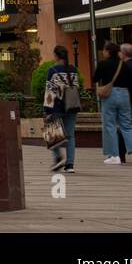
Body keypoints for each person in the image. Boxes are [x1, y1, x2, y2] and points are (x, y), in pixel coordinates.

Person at [93, 40, 132, 165]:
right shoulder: (124, 64)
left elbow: (95, 78)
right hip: (124, 94)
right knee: (127, 124)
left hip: (110, 95)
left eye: (104, 50)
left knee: (110, 125)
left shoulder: (103, 64)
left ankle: (114, 155)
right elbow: (130, 81)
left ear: (107, 52)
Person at [42, 44, 80, 173]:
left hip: (57, 107)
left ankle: (58, 157)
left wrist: (47, 111)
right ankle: (70, 165)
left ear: (56, 56)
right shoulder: (73, 69)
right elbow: (76, 87)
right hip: (72, 106)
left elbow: (50, 92)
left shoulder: (53, 70)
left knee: (51, 133)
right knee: (71, 136)